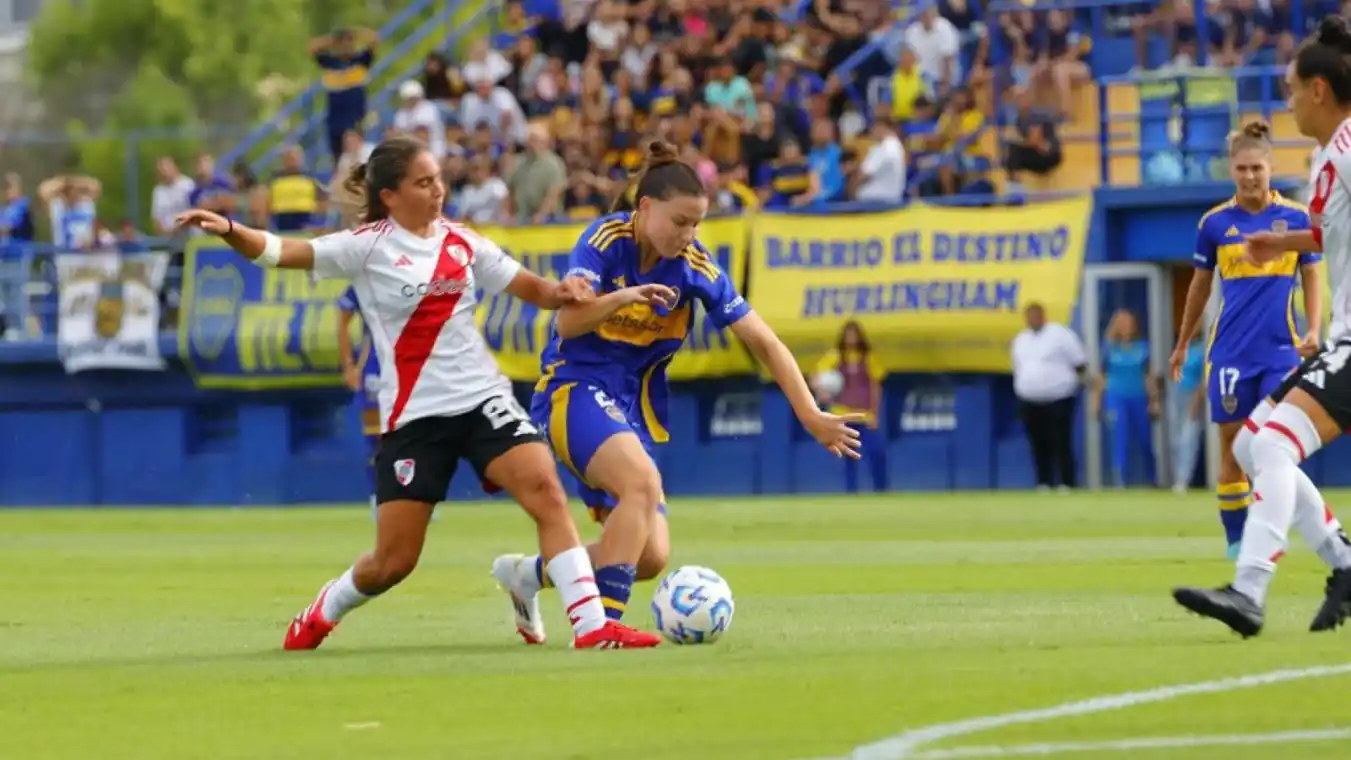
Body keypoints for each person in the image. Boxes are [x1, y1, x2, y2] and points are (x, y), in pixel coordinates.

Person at [174, 135, 661, 650]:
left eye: (439, 180)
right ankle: (323, 610)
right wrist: (229, 229)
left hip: (482, 401)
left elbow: (533, 289)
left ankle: (590, 627)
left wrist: (566, 292)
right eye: (424, 182)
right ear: (390, 196)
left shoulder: (462, 240)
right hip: (416, 419)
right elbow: (279, 252)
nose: (438, 191)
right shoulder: (366, 245)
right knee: (393, 562)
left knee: (546, 490)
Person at [489, 141, 863, 644]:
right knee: (641, 484)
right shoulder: (604, 240)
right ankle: (602, 628)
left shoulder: (697, 267)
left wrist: (812, 413)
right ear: (645, 209)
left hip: (629, 411)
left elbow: (764, 341)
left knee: (649, 556)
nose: (689, 235)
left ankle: (528, 575)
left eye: (697, 224)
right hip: (571, 390)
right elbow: (568, 320)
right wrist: (623, 297)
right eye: (680, 221)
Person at [1173, 17, 1351, 637]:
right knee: (1251, 445)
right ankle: (1345, 561)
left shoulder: (1345, 152)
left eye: (1293, 88)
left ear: (1320, 90)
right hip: (1333, 340)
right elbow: (1329, 236)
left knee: (1269, 447)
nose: (1289, 100)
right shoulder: (1332, 157)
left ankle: (1248, 590)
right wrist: (1284, 238)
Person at [1170, 120, 1322, 559]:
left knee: (1277, 450)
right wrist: (1182, 343)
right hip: (1231, 355)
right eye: (1242, 169)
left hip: (1281, 353)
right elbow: (1199, 287)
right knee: (1234, 452)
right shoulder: (1215, 224)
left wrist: (1313, 329)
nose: (1250, 176)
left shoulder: (1294, 218)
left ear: (1270, 167)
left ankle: (1271, 536)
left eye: (1257, 167)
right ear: (1231, 171)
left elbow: (1312, 275)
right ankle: (1237, 542)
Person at [1010, 302, 1086, 491]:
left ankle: (1067, 482)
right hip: (1030, 399)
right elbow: (1018, 367)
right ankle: (1044, 481)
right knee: (1037, 442)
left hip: (1059, 397)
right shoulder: (1021, 339)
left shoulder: (1060, 334)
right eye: (1029, 316)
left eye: (1036, 315)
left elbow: (1080, 362)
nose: (1033, 319)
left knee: (1061, 441)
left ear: (1043, 315)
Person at [812, 320, 887, 493]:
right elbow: (816, 376)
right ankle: (851, 492)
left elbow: (876, 385)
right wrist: (821, 390)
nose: (851, 338)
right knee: (848, 456)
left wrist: (875, 413)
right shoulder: (835, 356)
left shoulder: (869, 357)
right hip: (842, 414)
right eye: (848, 335)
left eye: (854, 335)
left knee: (876, 452)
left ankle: (881, 490)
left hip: (864, 415)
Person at [1093, 309, 1159, 487]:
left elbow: (1149, 376)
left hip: (1138, 397)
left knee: (1145, 440)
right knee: (1120, 440)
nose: (1127, 327)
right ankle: (1121, 482)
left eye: (1130, 323)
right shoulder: (1108, 347)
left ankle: (1152, 479)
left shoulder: (1143, 347)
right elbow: (1101, 376)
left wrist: (1154, 401)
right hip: (1116, 398)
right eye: (1123, 323)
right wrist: (1097, 402)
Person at [337, 285, 381, 520]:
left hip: (408, 365)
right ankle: (378, 498)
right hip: (374, 365)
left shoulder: (415, 272)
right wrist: (349, 365)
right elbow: (343, 318)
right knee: (377, 438)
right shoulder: (364, 277)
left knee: (412, 435)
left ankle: (414, 499)